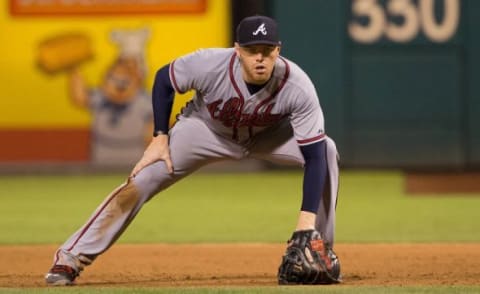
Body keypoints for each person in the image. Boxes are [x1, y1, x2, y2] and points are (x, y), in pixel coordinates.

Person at [45, 15, 342, 286]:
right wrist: (160, 136)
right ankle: (70, 258)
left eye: (267, 49)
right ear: (237, 49)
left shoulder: (297, 85)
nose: (260, 58)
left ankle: (317, 251)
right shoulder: (210, 64)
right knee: (139, 183)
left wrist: (305, 222)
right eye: (252, 50)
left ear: (278, 49)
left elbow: (314, 154)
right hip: (204, 131)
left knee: (327, 150)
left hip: (269, 137)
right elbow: (164, 79)